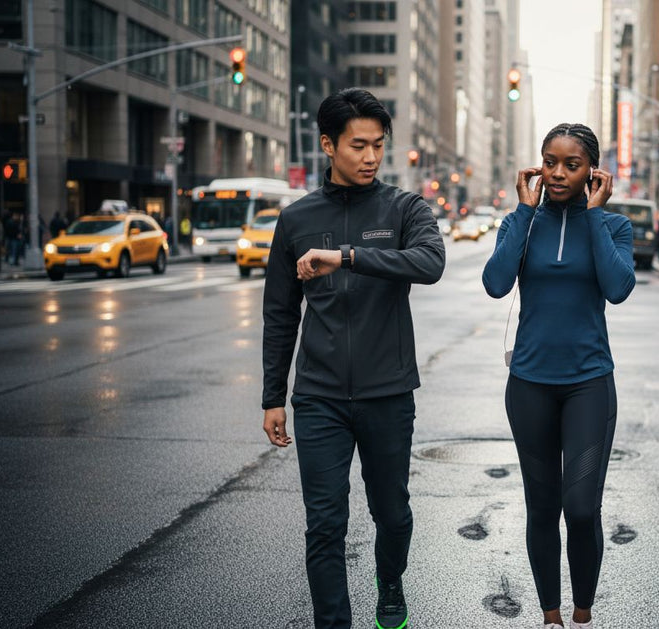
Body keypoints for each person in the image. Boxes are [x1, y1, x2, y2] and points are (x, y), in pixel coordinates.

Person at [261, 88, 445, 629]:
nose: (370, 157)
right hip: (319, 397)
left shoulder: (404, 208)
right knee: (324, 525)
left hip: (388, 393)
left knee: (392, 515)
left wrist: (345, 256)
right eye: (358, 145)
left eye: (378, 146)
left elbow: (430, 263)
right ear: (327, 145)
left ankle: (389, 578)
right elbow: (279, 313)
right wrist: (274, 397)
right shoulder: (296, 220)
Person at [482, 123, 635, 629]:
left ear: (593, 170)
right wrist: (525, 211)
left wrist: (593, 216)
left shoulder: (613, 228)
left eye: (572, 164)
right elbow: (496, 283)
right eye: (550, 161)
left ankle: (584, 613)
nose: (558, 173)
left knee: (582, 508)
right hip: (529, 386)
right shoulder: (519, 222)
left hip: (589, 383)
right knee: (542, 507)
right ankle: (551, 617)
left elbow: (617, 288)